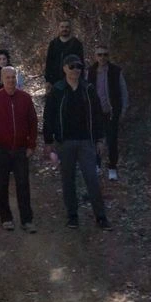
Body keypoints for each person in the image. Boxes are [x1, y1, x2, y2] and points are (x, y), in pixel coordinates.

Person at [44, 54, 111, 230]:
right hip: (64, 142)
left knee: (92, 179)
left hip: (86, 142)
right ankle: (72, 215)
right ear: (65, 68)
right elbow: (48, 116)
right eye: (72, 66)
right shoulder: (57, 90)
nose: (76, 70)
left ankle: (101, 217)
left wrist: (99, 139)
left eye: (79, 66)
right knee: (68, 180)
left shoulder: (88, 89)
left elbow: (97, 116)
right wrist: (48, 142)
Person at [0, 66, 39, 233]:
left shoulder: (25, 98)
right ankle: (6, 218)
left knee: (23, 184)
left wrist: (31, 145)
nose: (11, 80)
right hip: (1, 149)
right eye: (8, 77)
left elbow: (33, 123)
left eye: (13, 77)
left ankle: (27, 220)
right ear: (1, 80)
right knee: (1, 184)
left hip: (21, 149)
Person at [88, 46, 130, 181]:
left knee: (112, 141)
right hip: (95, 113)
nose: (102, 57)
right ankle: (97, 165)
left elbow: (123, 91)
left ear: (108, 56)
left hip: (111, 112)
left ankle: (112, 167)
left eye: (105, 54)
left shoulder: (116, 71)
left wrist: (123, 109)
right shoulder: (90, 72)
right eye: (99, 55)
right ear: (95, 56)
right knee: (95, 140)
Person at [43, 19, 85, 86]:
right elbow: (49, 63)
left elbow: (81, 63)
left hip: (72, 81)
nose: (64, 29)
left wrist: (80, 80)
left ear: (70, 28)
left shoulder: (76, 44)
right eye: (62, 27)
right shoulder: (53, 44)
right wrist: (48, 80)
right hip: (55, 81)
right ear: (59, 28)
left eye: (67, 27)